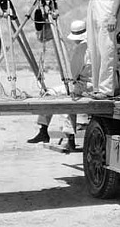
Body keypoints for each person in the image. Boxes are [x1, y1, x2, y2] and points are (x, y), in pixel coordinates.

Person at [27, 20, 91, 152]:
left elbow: (73, 73)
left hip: (83, 86)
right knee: (66, 93)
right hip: (93, 85)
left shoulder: (82, 49)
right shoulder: (94, 45)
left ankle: (46, 131)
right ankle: (49, 133)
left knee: (51, 93)